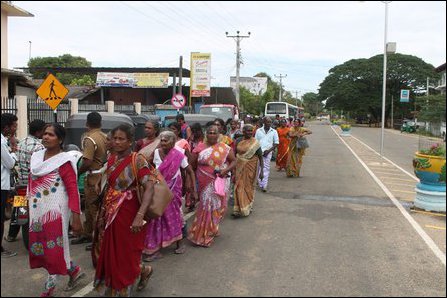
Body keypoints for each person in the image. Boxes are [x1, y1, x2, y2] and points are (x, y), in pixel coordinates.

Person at [94, 124, 155, 296]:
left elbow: (149, 187)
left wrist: (140, 216)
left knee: (127, 253)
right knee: (112, 252)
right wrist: (102, 214)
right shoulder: (111, 159)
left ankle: (122, 290)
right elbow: (109, 187)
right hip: (111, 212)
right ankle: (143, 271)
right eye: (114, 138)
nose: (117, 142)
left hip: (130, 213)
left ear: (130, 142)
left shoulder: (138, 160)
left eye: (122, 139)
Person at [27, 123, 85, 296]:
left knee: (53, 250)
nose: (46, 137)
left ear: (60, 139)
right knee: (43, 247)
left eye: (51, 135)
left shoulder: (64, 161)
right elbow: (32, 182)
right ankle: (73, 270)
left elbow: (73, 190)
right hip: (37, 211)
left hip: (55, 213)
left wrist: (76, 216)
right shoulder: (36, 157)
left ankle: (48, 289)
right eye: (45, 134)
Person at [143, 131, 197, 261]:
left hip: (173, 191)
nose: (162, 143)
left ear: (173, 142)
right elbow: (146, 166)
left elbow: (189, 171)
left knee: (175, 215)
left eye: (165, 140)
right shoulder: (156, 153)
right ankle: (155, 248)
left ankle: (179, 243)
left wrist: (193, 190)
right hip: (158, 189)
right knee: (156, 216)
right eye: (161, 140)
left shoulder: (179, 155)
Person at [188, 125, 237, 247]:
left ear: (219, 135)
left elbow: (234, 161)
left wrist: (225, 171)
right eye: (209, 133)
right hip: (204, 182)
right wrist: (190, 184)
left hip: (220, 181)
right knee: (205, 207)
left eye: (214, 133)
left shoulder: (224, 148)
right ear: (206, 134)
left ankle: (212, 228)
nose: (212, 135)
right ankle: (204, 234)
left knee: (219, 207)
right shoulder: (199, 148)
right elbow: (191, 166)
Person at [6, 119, 46, 248]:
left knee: (20, 210)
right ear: (39, 132)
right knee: (33, 214)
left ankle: (12, 235)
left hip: (20, 184)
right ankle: (31, 242)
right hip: (33, 185)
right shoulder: (39, 147)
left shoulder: (20, 143)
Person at [72, 112, 107, 249]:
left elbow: (87, 161)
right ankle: (87, 234)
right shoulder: (104, 137)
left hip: (93, 176)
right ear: (100, 122)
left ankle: (96, 239)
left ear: (87, 123)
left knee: (93, 209)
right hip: (102, 174)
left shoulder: (90, 139)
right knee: (89, 206)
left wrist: (78, 173)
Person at [233, 124, 264, 217]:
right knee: (238, 186)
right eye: (248, 131)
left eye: (251, 131)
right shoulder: (238, 141)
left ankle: (247, 207)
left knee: (248, 188)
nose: (250, 132)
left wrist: (261, 171)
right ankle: (238, 209)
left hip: (251, 168)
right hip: (239, 167)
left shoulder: (255, 143)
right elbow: (234, 155)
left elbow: (260, 157)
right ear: (243, 131)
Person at [1, 113, 18, 258]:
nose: (15, 128)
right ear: (6, 127)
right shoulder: (1, 142)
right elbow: (10, 164)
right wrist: (13, 151)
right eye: (14, 125)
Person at [255, 117, 279, 192]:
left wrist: (268, 151)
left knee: (266, 168)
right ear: (264, 122)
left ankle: (264, 185)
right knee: (259, 167)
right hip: (259, 152)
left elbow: (276, 143)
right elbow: (255, 141)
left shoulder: (274, 131)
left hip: (268, 153)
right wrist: (257, 151)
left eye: (270, 122)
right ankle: (260, 181)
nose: (269, 123)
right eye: (268, 122)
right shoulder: (258, 131)